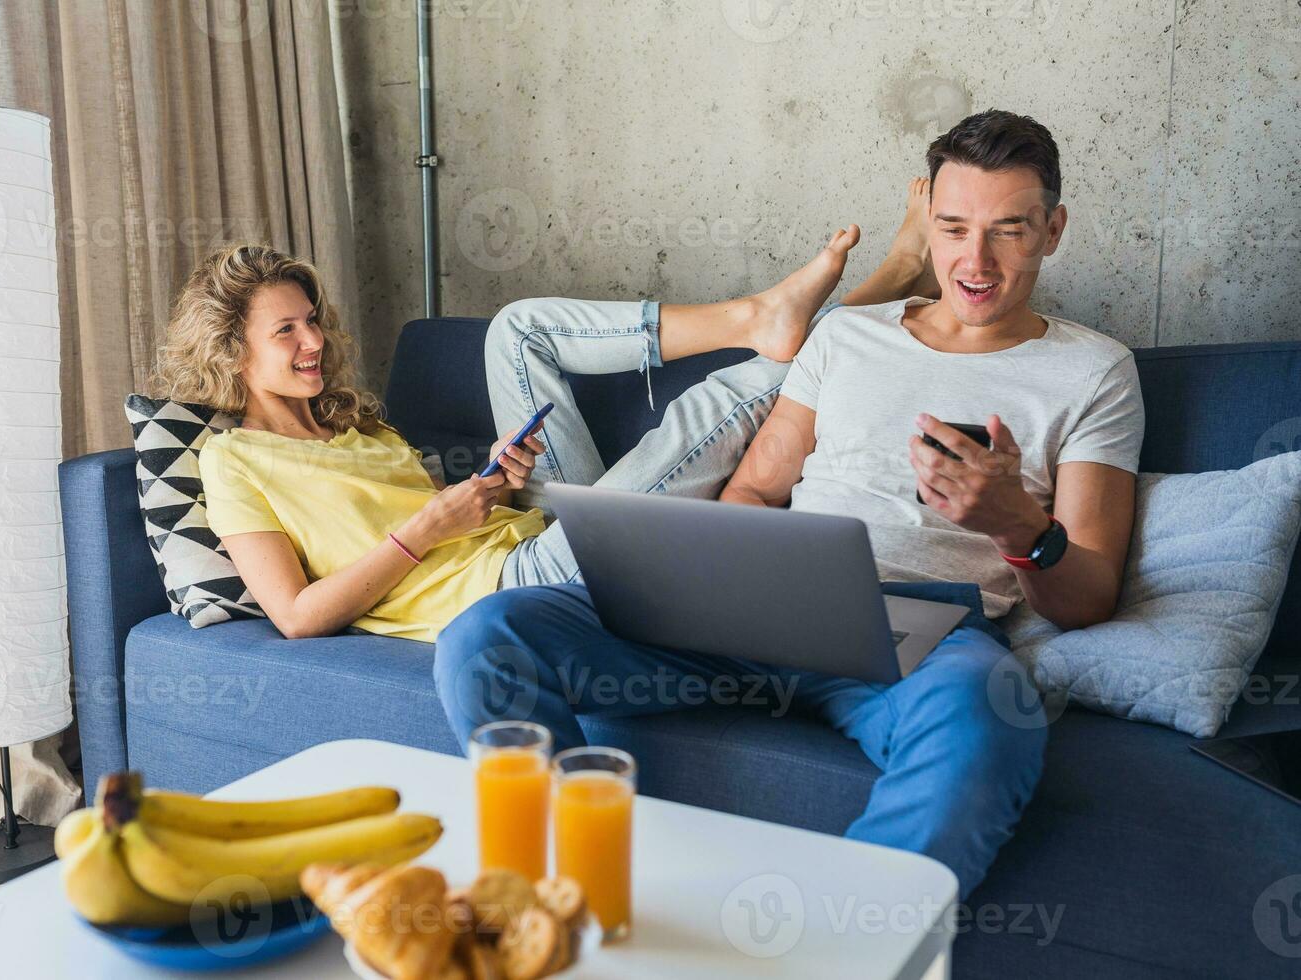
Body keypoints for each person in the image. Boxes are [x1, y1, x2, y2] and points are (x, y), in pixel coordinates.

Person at [433, 109, 1146, 899]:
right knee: (489, 634)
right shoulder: (847, 338)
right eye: (951, 228)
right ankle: (582, 892)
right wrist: (708, 572)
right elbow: (759, 488)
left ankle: (842, 943)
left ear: (1053, 230)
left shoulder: (1095, 371)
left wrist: (1017, 522)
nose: (973, 260)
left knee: (989, 716)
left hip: (915, 634)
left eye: (1008, 231)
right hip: (764, 599)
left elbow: (1088, 595)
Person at [150, 196, 947, 643]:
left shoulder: (352, 426)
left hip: (529, 533)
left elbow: (449, 514)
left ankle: (753, 316)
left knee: (517, 328)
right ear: (232, 351)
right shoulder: (233, 462)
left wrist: (494, 481)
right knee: (708, 409)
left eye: (312, 319)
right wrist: (431, 522)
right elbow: (296, 617)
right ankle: (887, 282)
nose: (314, 340)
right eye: (285, 331)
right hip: (515, 587)